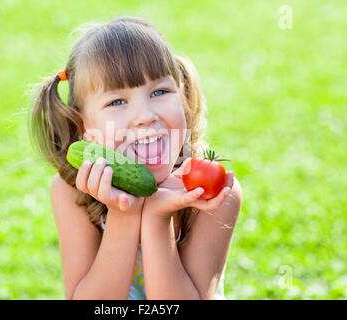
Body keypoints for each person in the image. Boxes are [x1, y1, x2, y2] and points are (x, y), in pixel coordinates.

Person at [28, 15, 242, 300]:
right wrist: (123, 213)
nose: (145, 116)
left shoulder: (210, 190)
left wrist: (157, 217)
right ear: (84, 127)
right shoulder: (72, 191)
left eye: (160, 91)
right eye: (117, 101)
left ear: (182, 97)